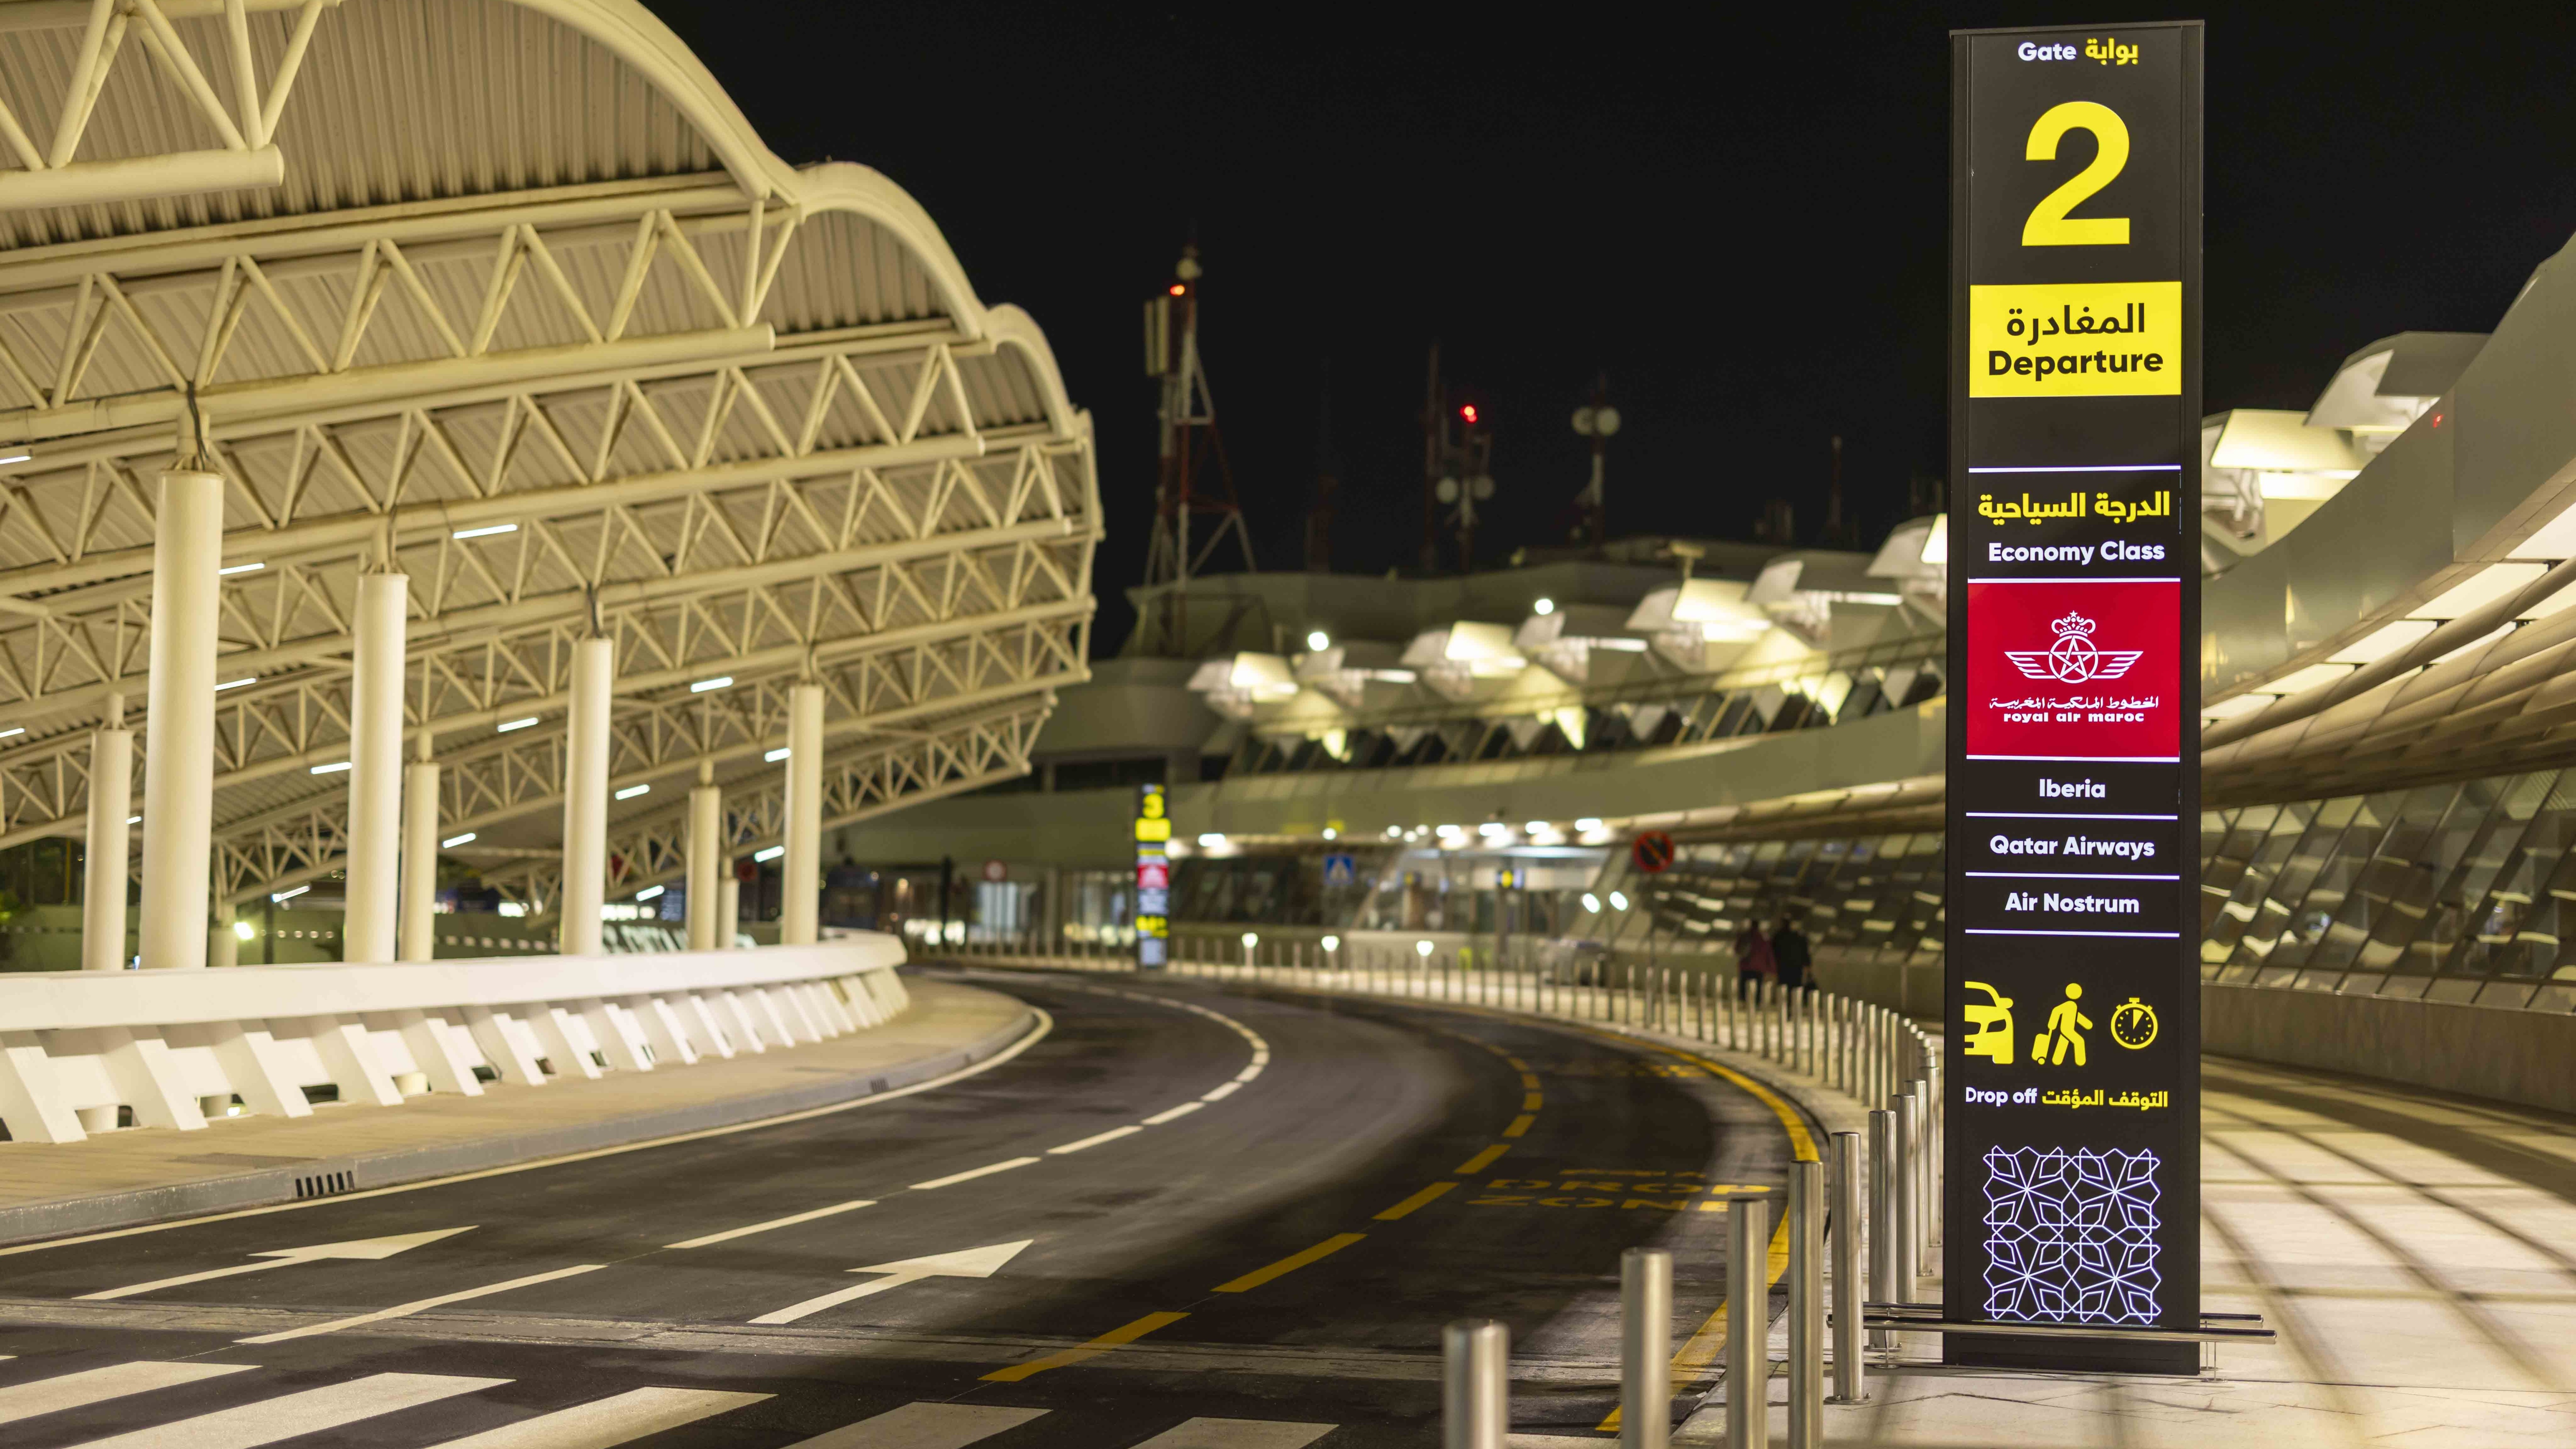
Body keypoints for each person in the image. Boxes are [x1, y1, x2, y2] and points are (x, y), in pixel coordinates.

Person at [1732, 915, 1775, 997]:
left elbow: (1737, 949)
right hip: (1759, 969)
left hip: (1746, 968)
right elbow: (1769, 955)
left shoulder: (1745, 936)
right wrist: (1772, 970)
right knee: (1757, 993)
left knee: (1744, 992)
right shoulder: (1763, 939)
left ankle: (1744, 1003)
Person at [1771, 911, 1813, 993]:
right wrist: (1808, 967)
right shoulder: (1798, 937)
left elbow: (1773, 952)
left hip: (1784, 968)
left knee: (1784, 989)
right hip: (1796, 969)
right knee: (1795, 990)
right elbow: (1805, 954)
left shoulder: (1778, 936)